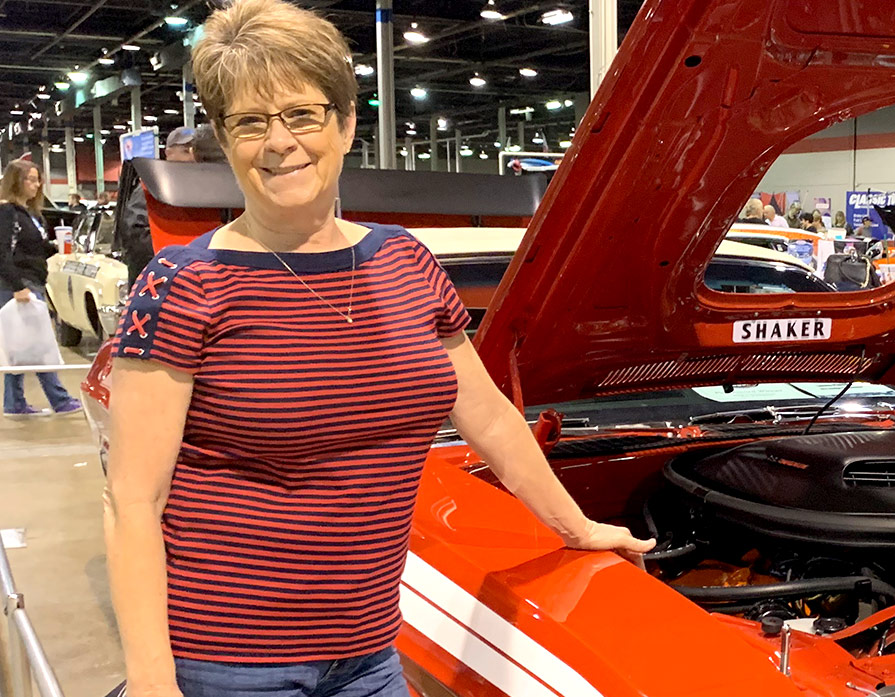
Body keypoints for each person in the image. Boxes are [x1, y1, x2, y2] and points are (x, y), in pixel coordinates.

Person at [102, 3, 653, 696]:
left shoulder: (405, 261)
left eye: (302, 114)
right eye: (250, 121)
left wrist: (577, 526)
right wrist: (153, 680)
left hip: (368, 656)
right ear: (225, 138)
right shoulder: (184, 285)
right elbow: (132, 498)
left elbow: (490, 420)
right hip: (227, 661)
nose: (279, 142)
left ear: (345, 122)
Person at [0, 159, 83, 417]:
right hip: (19, 286)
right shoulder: (7, 212)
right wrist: (17, 287)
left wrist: (55, 248)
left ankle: (14, 403)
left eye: (38, 180)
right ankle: (59, 399)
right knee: (38, 345)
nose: (37, 185)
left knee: (22, 347)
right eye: (31, 180)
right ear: (16, 181)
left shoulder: (29, 214)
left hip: (31, 282)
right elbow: (2, 253)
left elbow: (30, 248)